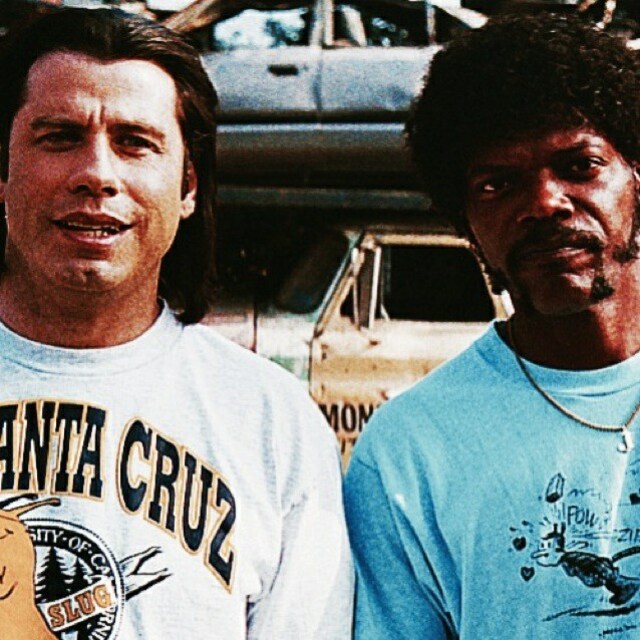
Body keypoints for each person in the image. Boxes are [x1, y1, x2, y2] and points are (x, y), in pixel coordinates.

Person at [0, 8, 352, 639]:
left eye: (135, 142)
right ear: (2, 172)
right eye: (59, 137)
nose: (97, 174)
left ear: (188, 184)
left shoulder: (274, 423)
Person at [344, 12, 640, 639]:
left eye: (580, 165)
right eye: (497, 183)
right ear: (466, 226)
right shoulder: (409, 453)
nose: (544, 202)